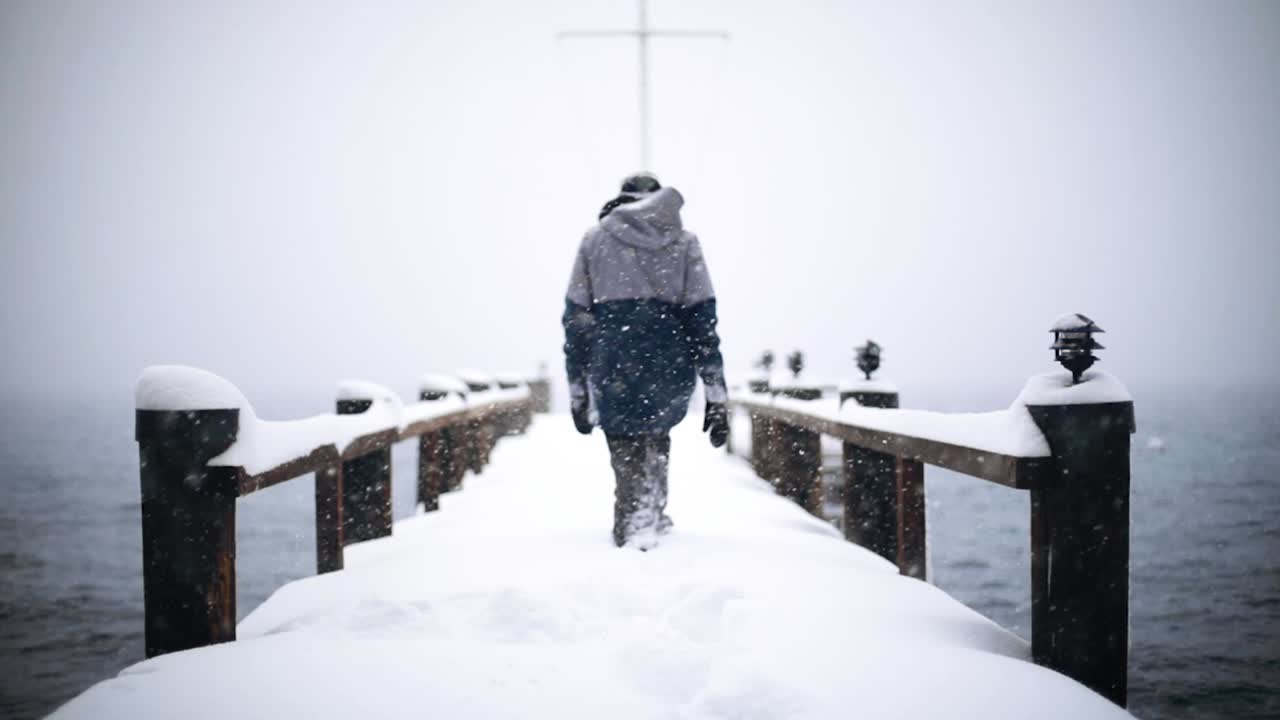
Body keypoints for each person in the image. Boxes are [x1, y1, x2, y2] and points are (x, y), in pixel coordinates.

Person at [562, 172, 729, 549]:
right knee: (657, 437)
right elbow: (703, 321)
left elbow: (576, 322)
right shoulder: (685, 243)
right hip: (669, 364)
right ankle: (650, 513)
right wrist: (716, 392)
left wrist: (577, 389)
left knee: (623, 442)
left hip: (613, 362)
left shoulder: (595, 240)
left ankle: (635, 519)